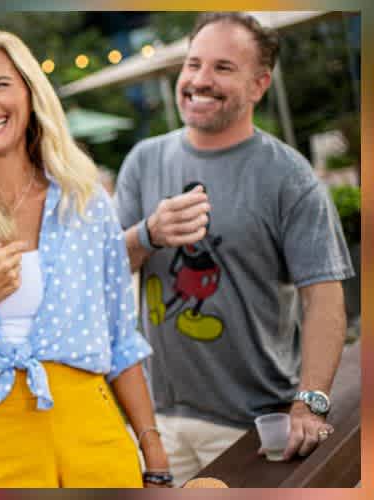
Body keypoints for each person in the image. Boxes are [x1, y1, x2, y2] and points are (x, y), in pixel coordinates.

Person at [0, 30, 170, 488]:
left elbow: (122, 339)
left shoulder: (85, 202)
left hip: (94, 427)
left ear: (29, 91)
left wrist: (154, 453)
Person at [115, 12, 354, 486]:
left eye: (223, 68)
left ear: (259, 84)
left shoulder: (291, 178)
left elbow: (323, 298)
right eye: (193, 64)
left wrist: (310, 402)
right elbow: (103, 268)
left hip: (249, 424)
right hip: (152, 420)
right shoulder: (144, 160)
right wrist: (149, 233)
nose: (199, 80)